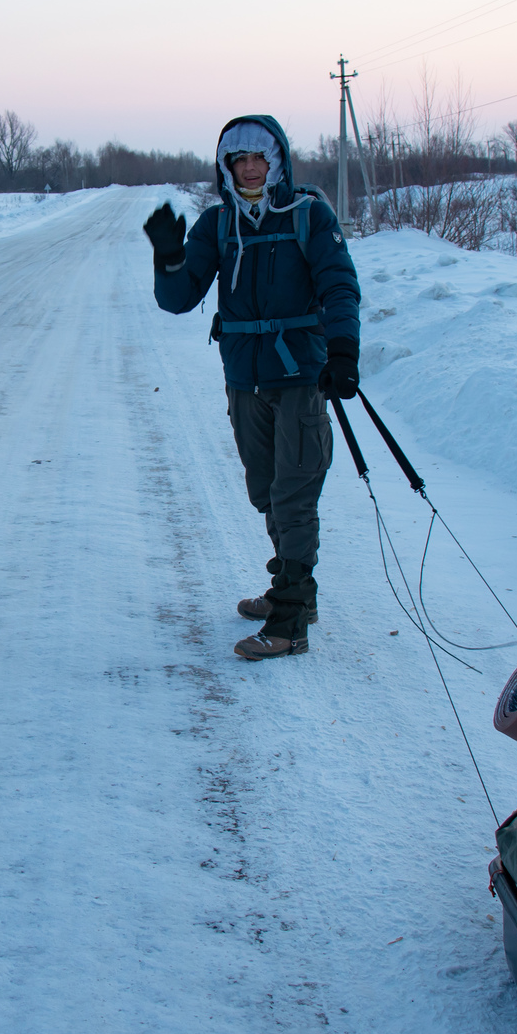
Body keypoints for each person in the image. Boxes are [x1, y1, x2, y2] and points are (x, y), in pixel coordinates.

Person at [145, 116, 362, 661]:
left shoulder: (309, 215)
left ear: (277, 162)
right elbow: (177, 298)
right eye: (238, 160)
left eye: (257, 159)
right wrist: (169, 259)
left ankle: (290, 622)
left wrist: (342, 352)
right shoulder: (219, 225)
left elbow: (339, 285)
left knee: (294, 493)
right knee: (265, 489)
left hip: (301, 378)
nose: (248, 168)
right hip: (244, 378)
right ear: (227, 167)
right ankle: (294, 591)